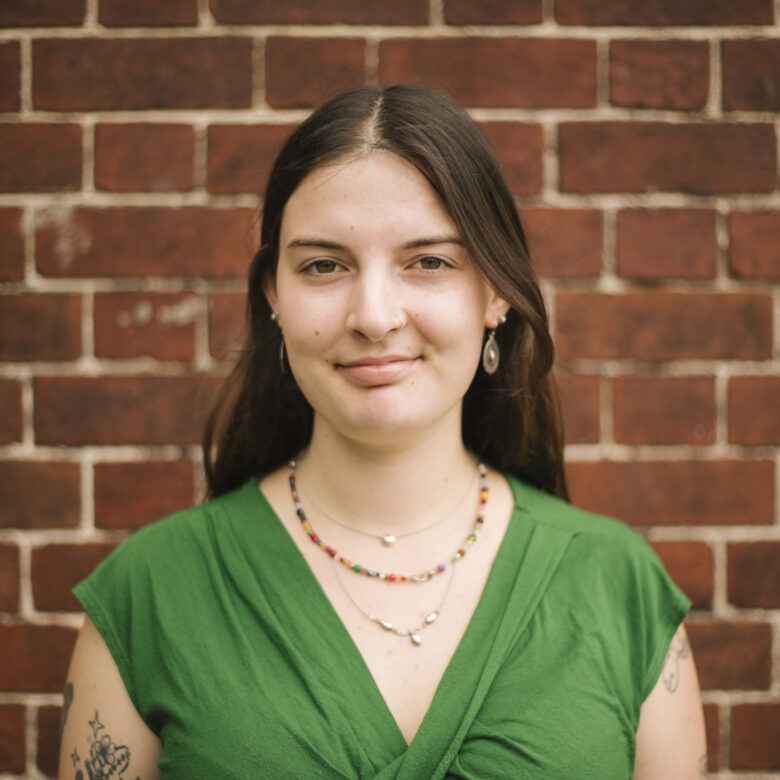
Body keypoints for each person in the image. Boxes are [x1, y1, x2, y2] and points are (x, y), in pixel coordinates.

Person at [59, 85, 706, 779]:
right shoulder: (149, 597)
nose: (374, 314)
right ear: (274, 296)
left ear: (495, 292)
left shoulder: (620, 589)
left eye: (429, 261)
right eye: (323, 266)